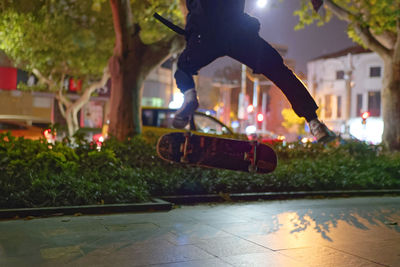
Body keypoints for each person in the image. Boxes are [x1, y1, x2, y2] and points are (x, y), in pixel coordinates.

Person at [164, 0, 336, 143]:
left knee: (183, 68)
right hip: (238, 33)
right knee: (279, 72)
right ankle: (314, 122)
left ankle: (190, 96)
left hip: (206, 35)